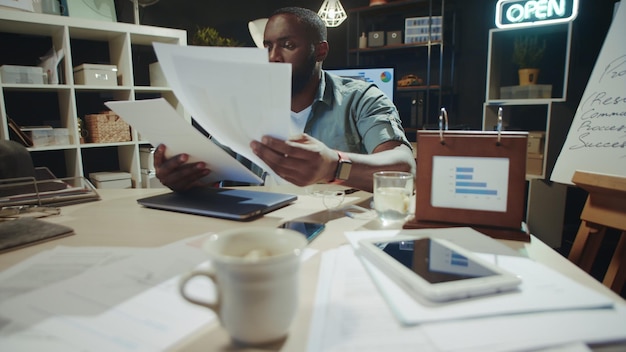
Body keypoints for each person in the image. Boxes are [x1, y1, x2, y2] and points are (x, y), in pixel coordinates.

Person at [154, 6, 415, 193]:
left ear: (320, 51)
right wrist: (183, 176)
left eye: (288, 45)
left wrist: (334, 167)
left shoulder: (360, 98)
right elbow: (210, 173)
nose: (273, 58)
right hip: (261, 233)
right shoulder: (243, 104)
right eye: (268, 46)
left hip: (336, 233)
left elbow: (404, 168)